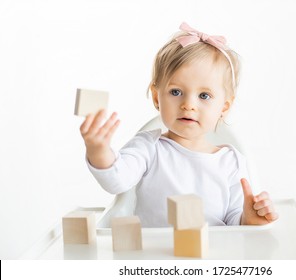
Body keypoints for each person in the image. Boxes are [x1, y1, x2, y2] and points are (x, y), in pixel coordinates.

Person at [79, 22, 279, 227]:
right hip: (155, 255)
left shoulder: (231, 162)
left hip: (212, 256)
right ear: (157, 97)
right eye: (176, 92)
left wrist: (248, 219)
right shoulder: (148, 148)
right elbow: (116, 180)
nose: (188, 105)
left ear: (224, 108)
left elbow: (233, 220)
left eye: (204, 95)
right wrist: (98, 149)